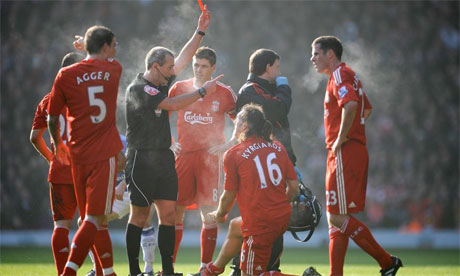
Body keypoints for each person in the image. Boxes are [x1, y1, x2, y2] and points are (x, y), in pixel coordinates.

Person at [124, 8, 223, 276]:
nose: (173, 71)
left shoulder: (162, 80)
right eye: (168, 68)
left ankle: (168, 271)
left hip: (164, 160)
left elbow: (183, 58)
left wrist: (200, 31)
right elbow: (172, 104)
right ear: (155, 67)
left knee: (168, 216)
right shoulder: (140, 88)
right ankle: (134, 270)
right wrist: (203, 91)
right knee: (140, 217)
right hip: (142, 159)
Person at [309, 35, 403, 276]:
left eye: (316, 53)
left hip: (344, 150)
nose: (312, 58)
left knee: (337, 216)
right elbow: (367, 109)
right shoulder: (346, 76)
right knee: (337, 218)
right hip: (349, 150)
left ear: (331, 54)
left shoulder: (340, 74)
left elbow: (351, 105)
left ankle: (386, 262)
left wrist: (341, 137)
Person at [48, 25, 125, 276]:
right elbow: (110, 60)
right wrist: (87, 47)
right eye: (113, 44)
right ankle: (68, 273)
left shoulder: (65, 75)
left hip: (76, 156)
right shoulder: (114, 69)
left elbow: (51, 118)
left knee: (90, 219)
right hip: (103, 155)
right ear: (105, 47)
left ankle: (107, 272)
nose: (116, 49)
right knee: (93, 219)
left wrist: (57, 143)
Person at [198, 104, 299, 276]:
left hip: (259, 223)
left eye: (236, 121)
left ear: (244, 126)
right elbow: (294, 188)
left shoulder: (234, 153)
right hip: (281, 216)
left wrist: (220, 214)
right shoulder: (277, 147)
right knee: (236, 226)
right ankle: (213, 269)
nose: (234, 124)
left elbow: (229, 195)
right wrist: (278, 206)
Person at [168, 46, 237, 272]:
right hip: (184, 157)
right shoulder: (180, 88)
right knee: (174, 212)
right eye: (196, 65)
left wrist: (229, 144)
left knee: (209, 214)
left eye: (204, 66)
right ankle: (169, 267)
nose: (198, 69)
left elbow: (243, 120)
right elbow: (160, 116)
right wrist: (170, 142)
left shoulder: (225, 93)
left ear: (213, 68)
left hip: (210, 159)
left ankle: (204, 267)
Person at [232, 48, 299, 275]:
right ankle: (243, 266)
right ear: (268, 67)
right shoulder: (249, 91)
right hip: (256, 164)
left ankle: (270, 268)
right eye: (277, 67)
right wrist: (284, 87)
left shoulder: (265, 89)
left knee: (274, 222)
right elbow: (278, 110)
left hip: (276, 160)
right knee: (254, 219)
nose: (279, 72)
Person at [29, 52, 83, 276]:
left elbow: (34, 137)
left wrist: (52, 158)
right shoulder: (86, 99)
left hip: (60, 171)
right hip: (86, 169)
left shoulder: (48, 99)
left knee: (61, 226)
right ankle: (102, 271)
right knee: (94, 223)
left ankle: (63, 273)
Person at [84, 135, 158, 276]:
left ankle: (148, 269)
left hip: (134, 187)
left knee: (146, 220)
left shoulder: (126, 141)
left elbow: (141, 163)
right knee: (86, 222)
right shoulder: (94, 142)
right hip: (115, 194)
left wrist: (123, 183)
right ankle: (98, 268)